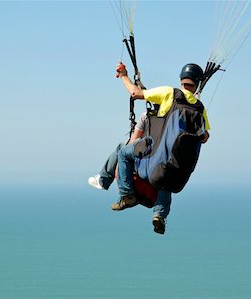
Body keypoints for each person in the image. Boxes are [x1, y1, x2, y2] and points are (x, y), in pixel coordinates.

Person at [113, 62, 211, 234]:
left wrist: (123, 75)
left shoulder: (169, 93)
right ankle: (159, 215)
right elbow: (205, 137)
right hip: (174, 164)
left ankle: (127, 194)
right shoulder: (200, 108)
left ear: (182, 79)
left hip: (154, 155)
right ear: (198, 82)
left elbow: (136, 93)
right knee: (165, 179)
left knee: (123, 153)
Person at [88, 111, 149, 192]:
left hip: (147, 152)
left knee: (122, 146)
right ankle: (104, 178)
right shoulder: (170, 117)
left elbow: (133, 140)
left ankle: (104, 180)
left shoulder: (147, 115)